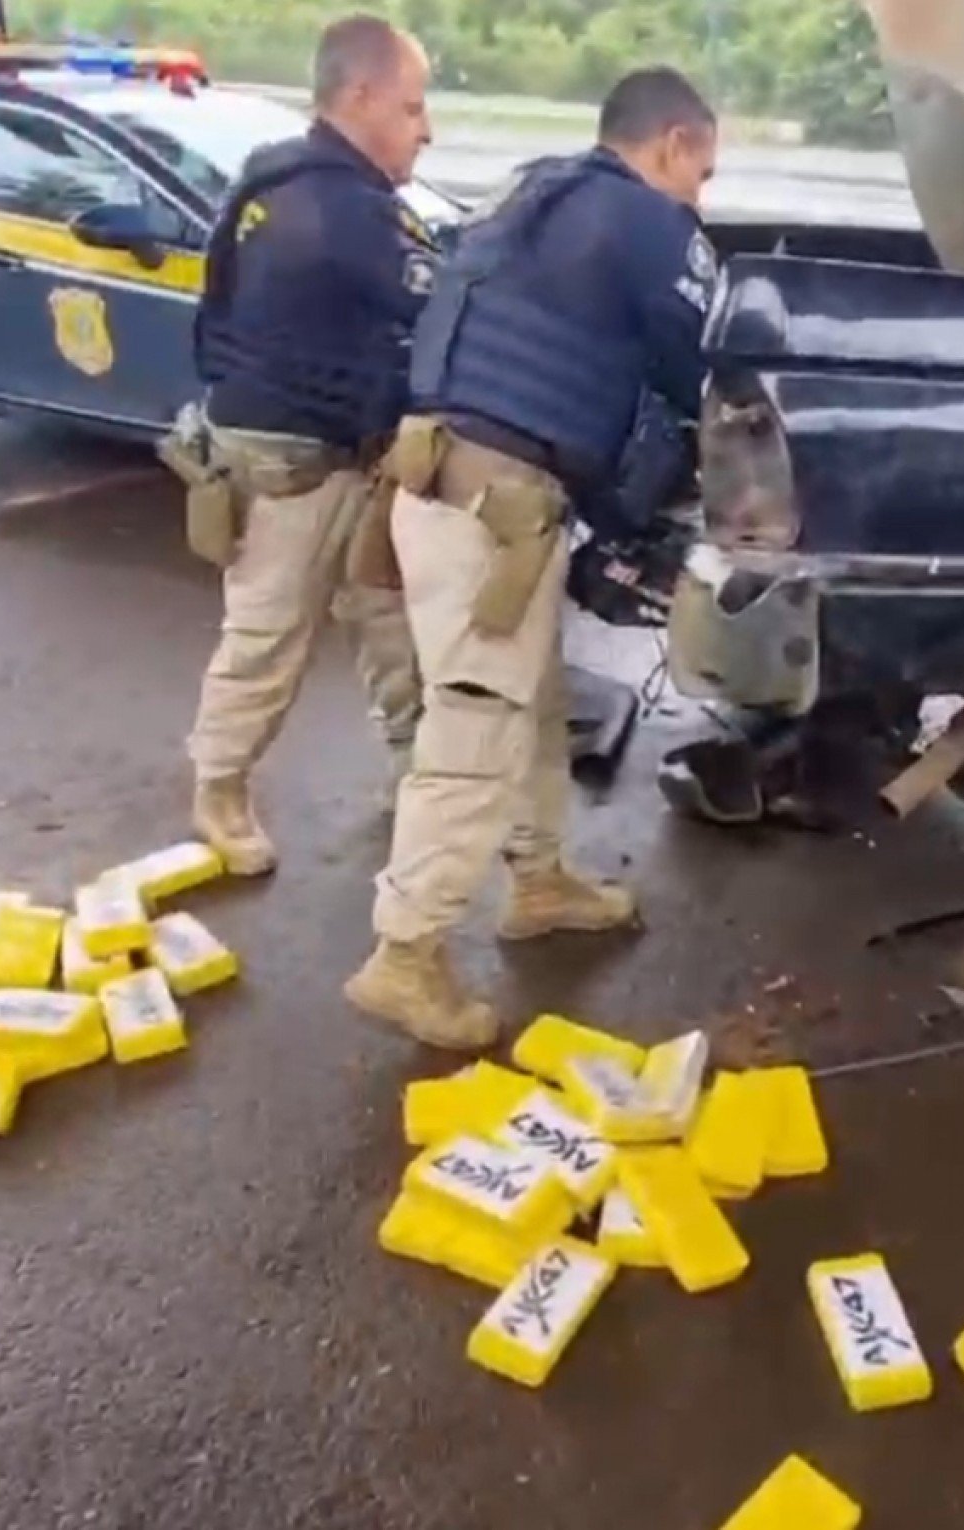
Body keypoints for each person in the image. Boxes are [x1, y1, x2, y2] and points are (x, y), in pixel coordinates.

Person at [343, 67, 720, 1049]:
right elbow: (703, 362)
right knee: (477, 720)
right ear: (672, 144)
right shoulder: (652, 224)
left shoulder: (534, 187)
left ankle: (540, 877)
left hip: (440, 481)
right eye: (703, 172)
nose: (701, 195)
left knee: (533, 698)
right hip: (492, 504)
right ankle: (406, 956)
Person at [174, 14, 437, 875]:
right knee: (269, 633)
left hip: (339, 447)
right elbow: (436, 312)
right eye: (412, 107)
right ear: (358, 98)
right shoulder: (337, 209)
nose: (425, 129)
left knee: (389, 621)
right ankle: (219, 788)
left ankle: (417, 773)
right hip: (296, 461)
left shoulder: (270, 177)